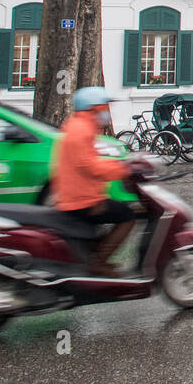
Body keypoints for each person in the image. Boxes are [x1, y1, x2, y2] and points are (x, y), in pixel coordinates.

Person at [51, 87, 138, 277]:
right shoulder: (81, 130)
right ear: (94, 108)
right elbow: (89, 166)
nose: (107, 111)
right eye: (105, 107)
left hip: (81, 195)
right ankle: (98, 262)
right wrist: (123, 169)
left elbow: (90, 160)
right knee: (127, 215)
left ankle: (94, 254)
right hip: (82, 200)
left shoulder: (80, 126)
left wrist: (117, 163)